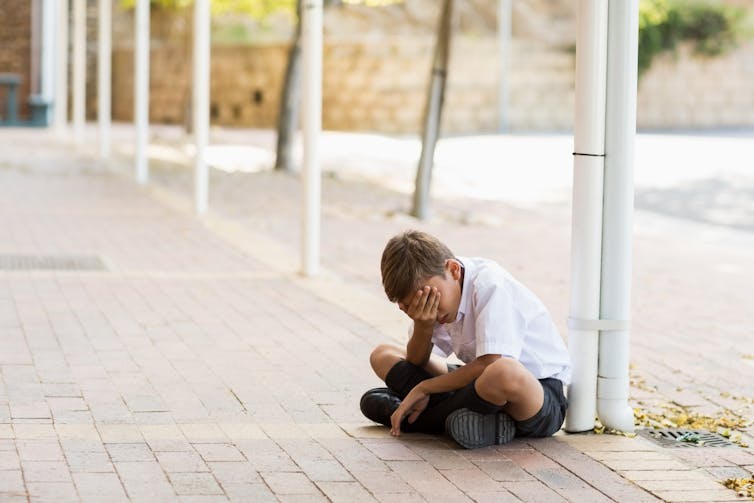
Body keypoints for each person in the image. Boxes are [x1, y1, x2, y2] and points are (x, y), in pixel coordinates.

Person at [360, 230, 571, 448]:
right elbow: (415, 362)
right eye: (414, 306)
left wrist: (424, 388)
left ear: (453, 270)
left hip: (535, 396)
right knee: (383, 355)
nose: (428, 306)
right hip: (477, 387)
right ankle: (471, 421)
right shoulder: (443, 296)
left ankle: (422, 421)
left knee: (503, 371)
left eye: (431, 297)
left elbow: (491, 363)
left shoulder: (490, 284)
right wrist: (424, 326)